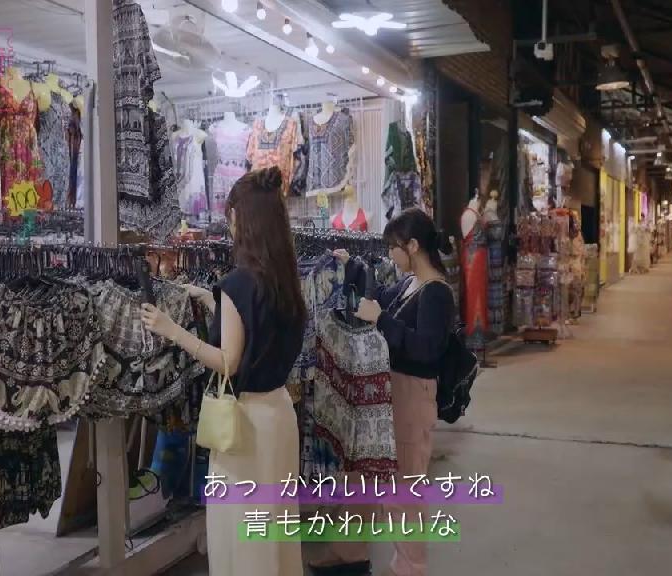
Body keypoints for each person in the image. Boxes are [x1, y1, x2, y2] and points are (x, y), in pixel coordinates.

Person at [140, 167, 307, 576]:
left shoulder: (238, 284)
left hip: (244, 424)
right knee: (274, 526)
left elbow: (229, 362)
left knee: (242, 530)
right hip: (279, 415)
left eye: (231, 214)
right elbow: (260, 333)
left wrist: (173, 330)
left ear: (242, 220)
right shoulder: (284, 279)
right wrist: (214, 302)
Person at [313, 208, 456, 576]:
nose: (391, 255)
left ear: (413, 246)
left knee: (404, 491)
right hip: (387, 392)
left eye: (394, 247)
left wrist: (382, 320)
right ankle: (348, 553)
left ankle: (410, 567)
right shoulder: (410, 284)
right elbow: (379, 295)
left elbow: (427, 350)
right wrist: (352, 266)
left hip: (411, 394)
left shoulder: (437, 292)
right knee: (362, 476)